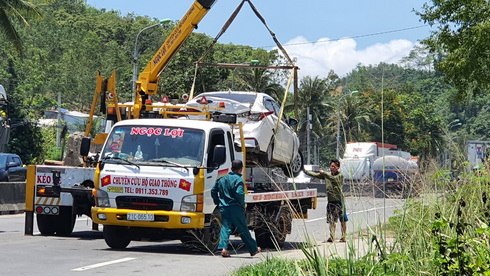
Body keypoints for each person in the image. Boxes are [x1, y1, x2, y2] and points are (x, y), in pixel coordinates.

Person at [211, 159, 261, 257]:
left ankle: (224, 248)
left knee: (225, 227)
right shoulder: (238, 180)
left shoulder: (222, 179)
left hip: (224, 207)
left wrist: (217, 201)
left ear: (231, 168)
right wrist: (242, 205)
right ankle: (254, 249)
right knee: (243, 228)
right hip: (235, 208)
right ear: (241, 169)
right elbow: (239, 193)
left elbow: (213, 190)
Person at [304, 159, 348, 242]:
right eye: (331, 166)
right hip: (330, 201)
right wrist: (306, 172)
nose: (332, 168)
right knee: (331, 220)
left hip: (339, 200)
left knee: (342, 220)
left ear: (338, 167)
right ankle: (332, 237)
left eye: (334, 166)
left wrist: (324, 173)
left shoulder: (340, 176)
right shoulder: (327, 175)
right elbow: (315, 175)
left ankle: (343, 236)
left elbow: (333, 179)